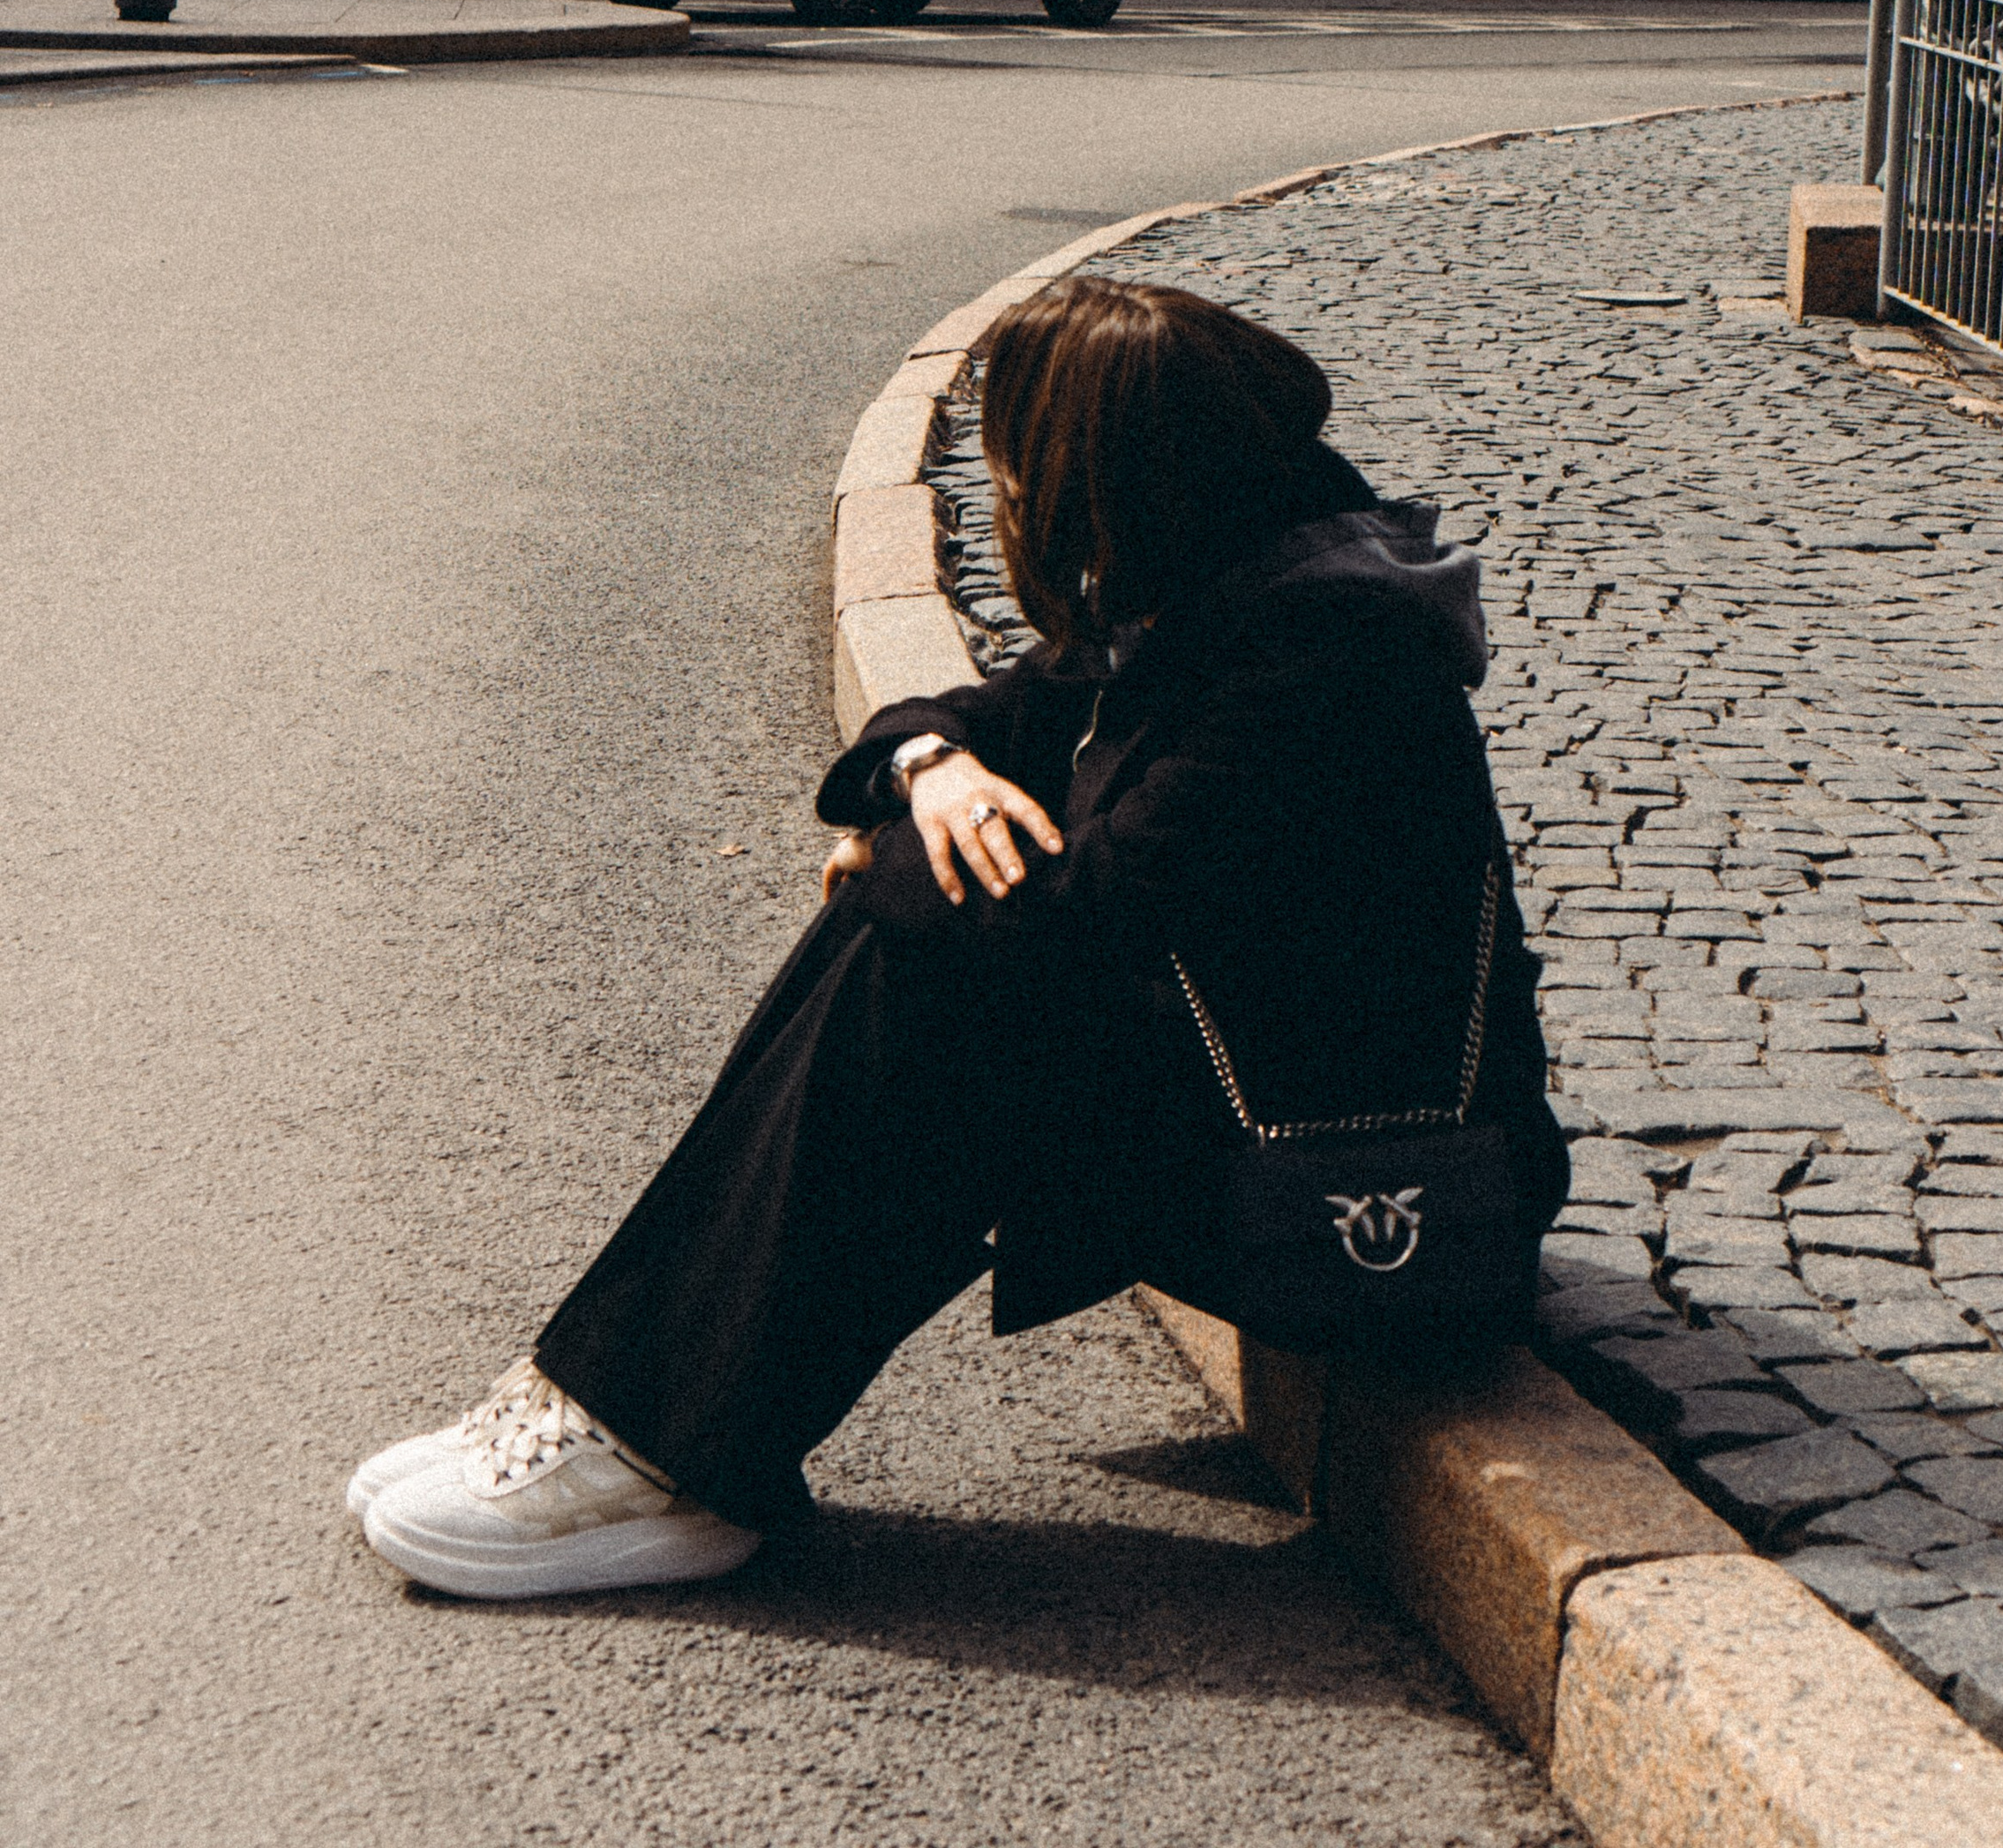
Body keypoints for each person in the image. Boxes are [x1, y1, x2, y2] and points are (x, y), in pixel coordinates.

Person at [349, 277, 1567, 1600]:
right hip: (1263, 1124)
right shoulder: (1241, 574)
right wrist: (930, 769)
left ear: (1099, 466)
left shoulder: (1320, 667)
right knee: (912, 940)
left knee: (919, 986)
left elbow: (1075, 929)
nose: (1007, 489)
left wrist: (893, 849)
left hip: (1371, 1204)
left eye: (1013, 458)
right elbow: (987, 713)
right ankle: (639, 1412)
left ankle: (673, 1453)